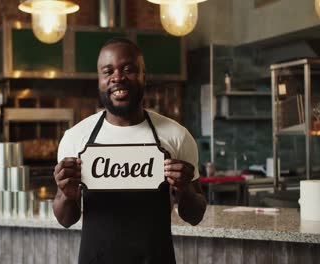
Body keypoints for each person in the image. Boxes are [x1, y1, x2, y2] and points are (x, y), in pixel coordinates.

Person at [53, 37, 207, 264]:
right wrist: (67, 194)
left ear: (144, 76)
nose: (118, 77)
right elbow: (66, 219)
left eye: (128, 69)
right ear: (99, 80)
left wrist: (184, 190)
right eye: (108, 71)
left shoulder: (177, 136)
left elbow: (195, 216)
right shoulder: (76, 138)